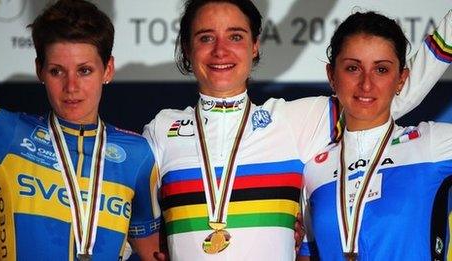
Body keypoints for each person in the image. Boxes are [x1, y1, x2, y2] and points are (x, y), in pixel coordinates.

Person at [137, 0, 451, 260]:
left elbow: (376, 100)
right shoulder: (163, 130)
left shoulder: (294, 120)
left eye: (235, 36)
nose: (221, 50)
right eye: (206, 37)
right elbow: (128, 207)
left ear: (255, 46)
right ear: (187, 49)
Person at [0, 0, 160, 260]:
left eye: (85, 70)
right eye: (57, 71)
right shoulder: (3, 131)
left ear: (108, 70)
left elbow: (152, 254)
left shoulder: (138, 155)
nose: (71, 86)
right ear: (40, 70)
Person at [300, 11, 452, 260]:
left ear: (401, 79)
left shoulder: (431, 145)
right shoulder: (313, 168)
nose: (366, 84)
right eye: (352, 68)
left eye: (381, 69)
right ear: (331, 75)